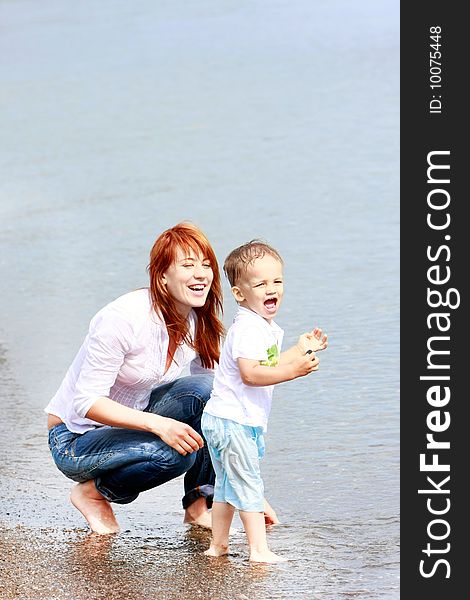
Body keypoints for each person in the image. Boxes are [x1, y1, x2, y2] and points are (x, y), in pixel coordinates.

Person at [45, 222, 226, 535]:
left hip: (130, 422)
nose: (201, 274)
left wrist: (247, 486)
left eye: (206, 265)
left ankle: (199, 505)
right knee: (176, 454)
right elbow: (87, 402)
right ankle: (93, 493)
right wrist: (160, 424)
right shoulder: (122, 318)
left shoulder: (196, 320)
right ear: (161, 275)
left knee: (210, 392)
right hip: (75, 438)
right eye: (188, 265)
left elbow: (221, 401)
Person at [201, 240, 328, 563]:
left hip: (225, 420)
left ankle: (219, 545)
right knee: (248, 483)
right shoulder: (248, 329)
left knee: (228, 487)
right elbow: (251, 374)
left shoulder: (261, 326)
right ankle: (259, 550)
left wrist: (299, 351)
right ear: (240, 294)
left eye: (277, 281)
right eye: (260, 284)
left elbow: (267, 363)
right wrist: (294, 372)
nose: (272, 289)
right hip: (233, 423)